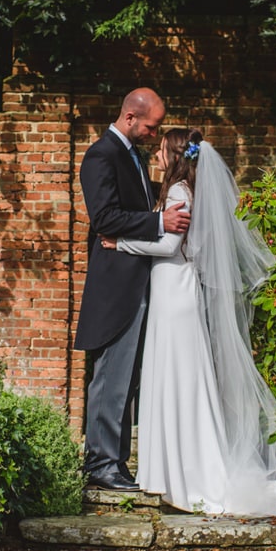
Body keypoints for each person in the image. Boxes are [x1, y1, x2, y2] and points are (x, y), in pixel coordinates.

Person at [104, 128, 276, 515]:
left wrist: (120, 243)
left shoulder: (178, 192)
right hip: (175, 291)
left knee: (178, 379)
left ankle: (184, 476)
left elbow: (168, 245)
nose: (157, 156)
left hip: (174, 294)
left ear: (175, 155)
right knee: (181, 379)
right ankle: (173, 473)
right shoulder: (185, 190)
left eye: (161, 150)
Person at [73, 88, 191, 491]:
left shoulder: (132, 156)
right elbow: (104, 216)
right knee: (111, 376)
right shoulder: (101, 155)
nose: (153, 134)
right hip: (115, 285)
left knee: (128, 380)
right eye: (151, 126)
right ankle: (101, 464)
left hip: (137, 281)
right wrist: (159, 224)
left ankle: (115, 462)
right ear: (130, 117)